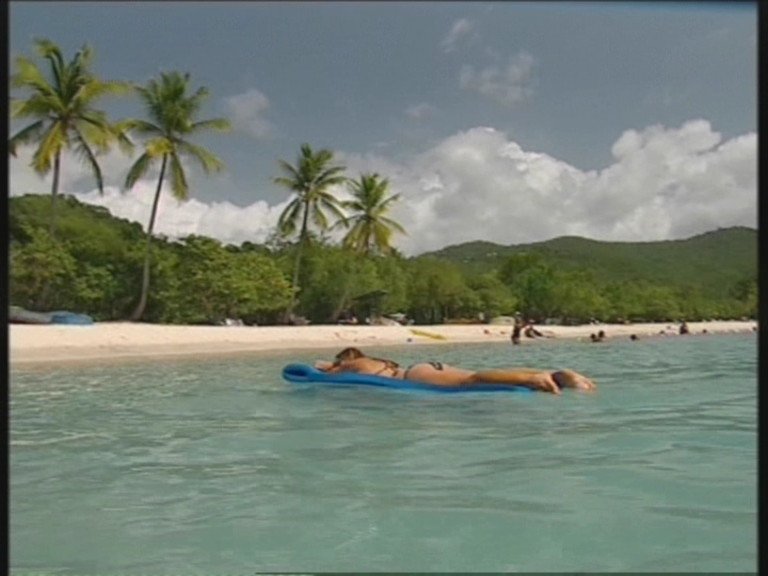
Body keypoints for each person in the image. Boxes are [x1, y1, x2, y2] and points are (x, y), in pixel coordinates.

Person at [314, 347, 597, 395]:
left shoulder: (355, 363)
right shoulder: (379, 361)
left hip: (416, 376)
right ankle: (553, 374)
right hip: (425, 368)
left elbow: (325, 371)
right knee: (473, 374)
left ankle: (533, 378)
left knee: (470, 380)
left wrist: (327, 366)